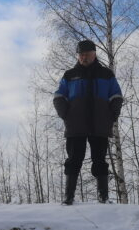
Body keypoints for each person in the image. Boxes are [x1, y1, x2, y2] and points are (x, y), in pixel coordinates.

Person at [52, 39, 123, 205]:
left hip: (100, 125)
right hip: (76, 125)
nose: (83, 57)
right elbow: (58, 96)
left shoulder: (106, 74)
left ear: (94, 54)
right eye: (81, 54)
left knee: (100, 160)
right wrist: (66, 115)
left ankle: (103, 197)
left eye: (87, 54)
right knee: (73, 159)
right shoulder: (69, 76)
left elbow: (116, 96)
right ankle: (68, 197)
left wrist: (111, 115)